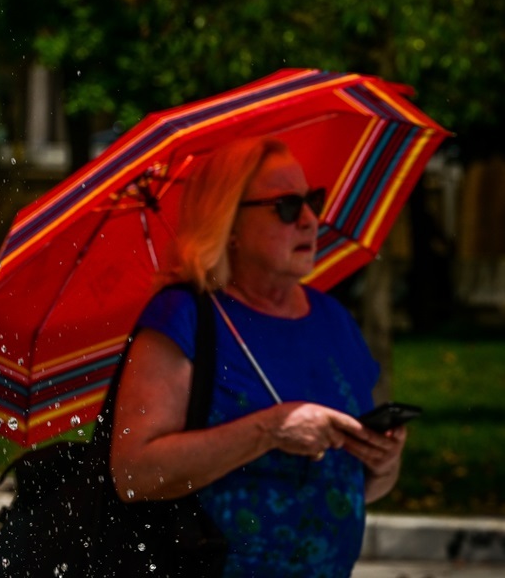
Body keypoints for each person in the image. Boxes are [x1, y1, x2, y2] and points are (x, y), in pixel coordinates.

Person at [109, 137, 406, 577]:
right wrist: (270, 429)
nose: (309, 220)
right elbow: (133, 474)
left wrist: (384, 463)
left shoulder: (333, 319)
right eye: (287, 206)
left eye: (312, 201)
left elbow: (357, 483)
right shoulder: (183, 316)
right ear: (228, 221)